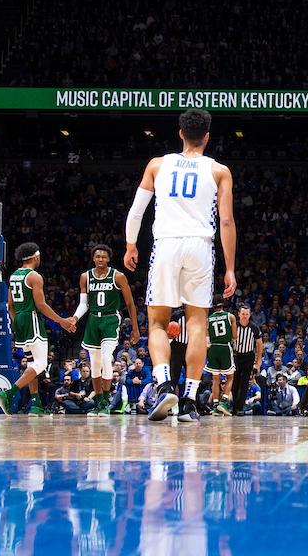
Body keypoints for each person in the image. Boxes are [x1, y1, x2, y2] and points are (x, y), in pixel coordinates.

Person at [125, 109, 237, 423]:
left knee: (158, 324)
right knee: (197, 324)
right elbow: (227, 221)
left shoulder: (157, 164)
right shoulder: (219, 171)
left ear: (180, 133)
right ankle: (189, 401)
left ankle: (163, 386)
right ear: (207, 137)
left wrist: (131, 245)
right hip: (200, 246)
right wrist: (230, 268)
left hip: (166, 244)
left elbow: (137, 211)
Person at [0, 242, 77, 416]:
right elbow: (41, 305)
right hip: (31, 318)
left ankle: (35, 405)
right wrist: (62, 321)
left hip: (19, 319)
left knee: (32, 363)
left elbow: (10, 305)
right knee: (41, 363)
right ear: (36, 257)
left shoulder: (13, 276)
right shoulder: (34, 276)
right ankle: (9, 393)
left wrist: (18, 322)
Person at [74, 243, 138, 417]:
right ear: (93, 258)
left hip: (110, 319)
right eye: (97, 256)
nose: (100, 259)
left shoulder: (118, 276)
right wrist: (74, 318)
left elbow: (130, 303)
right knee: (94, 364)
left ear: (109, 258)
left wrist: (135, 328)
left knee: (105, 359)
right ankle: (99, 402)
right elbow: (83, 304)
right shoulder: (85, 277)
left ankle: (105, 403)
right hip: (93, 319)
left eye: (104, 256)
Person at [230, 304, 263, 416]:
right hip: (236, 356)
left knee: (244, 383)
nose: (244, 316)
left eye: (247, 314)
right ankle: (234, 407)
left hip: (248, 357)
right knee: (235, 382)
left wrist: (259, 359)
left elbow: (259, 343)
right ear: (239, 314)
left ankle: (240, 408)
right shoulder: (234, 326)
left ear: (249, 315)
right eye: (243, 314)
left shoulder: (254, 327)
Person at [206, 300, 237, 416]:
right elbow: (234, 336)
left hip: (213, 348)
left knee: (216, 379)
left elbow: (207, 336)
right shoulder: (230, 316)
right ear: (222, 305)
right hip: (225, 347)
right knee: (230, 377)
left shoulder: (208, 319)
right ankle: (223, 402)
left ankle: (215, 407)